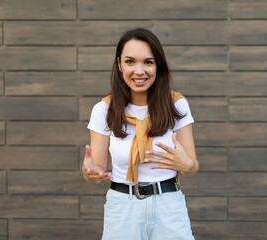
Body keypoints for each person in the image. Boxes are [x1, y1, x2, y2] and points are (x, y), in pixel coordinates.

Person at [82, 28, 199, 240]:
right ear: (119, 64)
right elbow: (97, 171)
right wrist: (90, 173)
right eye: (130, 62)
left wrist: (186, 164)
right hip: (123, 209)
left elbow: (192, 167)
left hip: (168, 206)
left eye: (148, 62)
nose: (139, 71)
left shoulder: (176, 105)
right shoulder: (104, 109)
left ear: (158, 65)